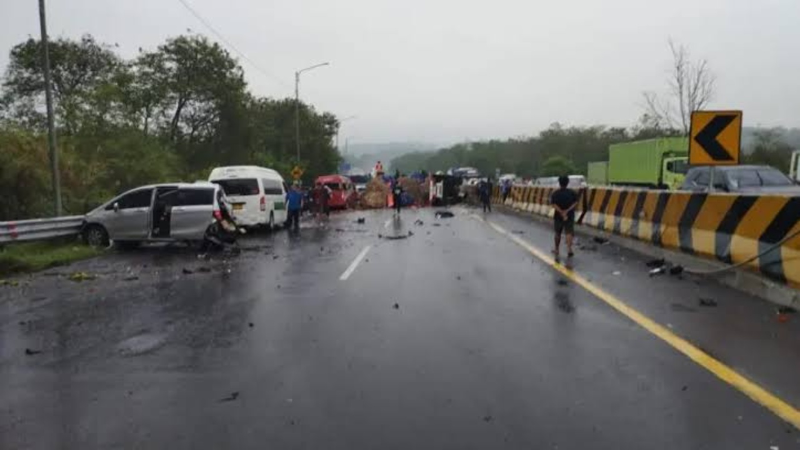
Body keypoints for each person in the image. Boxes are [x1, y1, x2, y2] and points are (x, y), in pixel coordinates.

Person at [550, 175, 579, 259]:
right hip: (569, 215)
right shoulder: (572, 192)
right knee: (569, 232)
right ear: (567, 183)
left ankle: (556, 249)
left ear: (559, 183)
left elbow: (553, 204)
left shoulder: (555, 193)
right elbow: (575, 203)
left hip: (558, 216)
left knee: (557, 233)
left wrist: (561, 212)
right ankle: (569, 249)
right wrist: (567, 211)